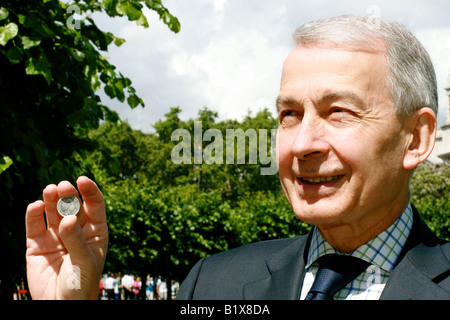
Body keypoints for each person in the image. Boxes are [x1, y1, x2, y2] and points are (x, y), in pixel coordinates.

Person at [24, 14, 449, 300]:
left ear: (416, 138)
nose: (302, 144)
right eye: (289, 115)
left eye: (338, 112)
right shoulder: (211, 285)